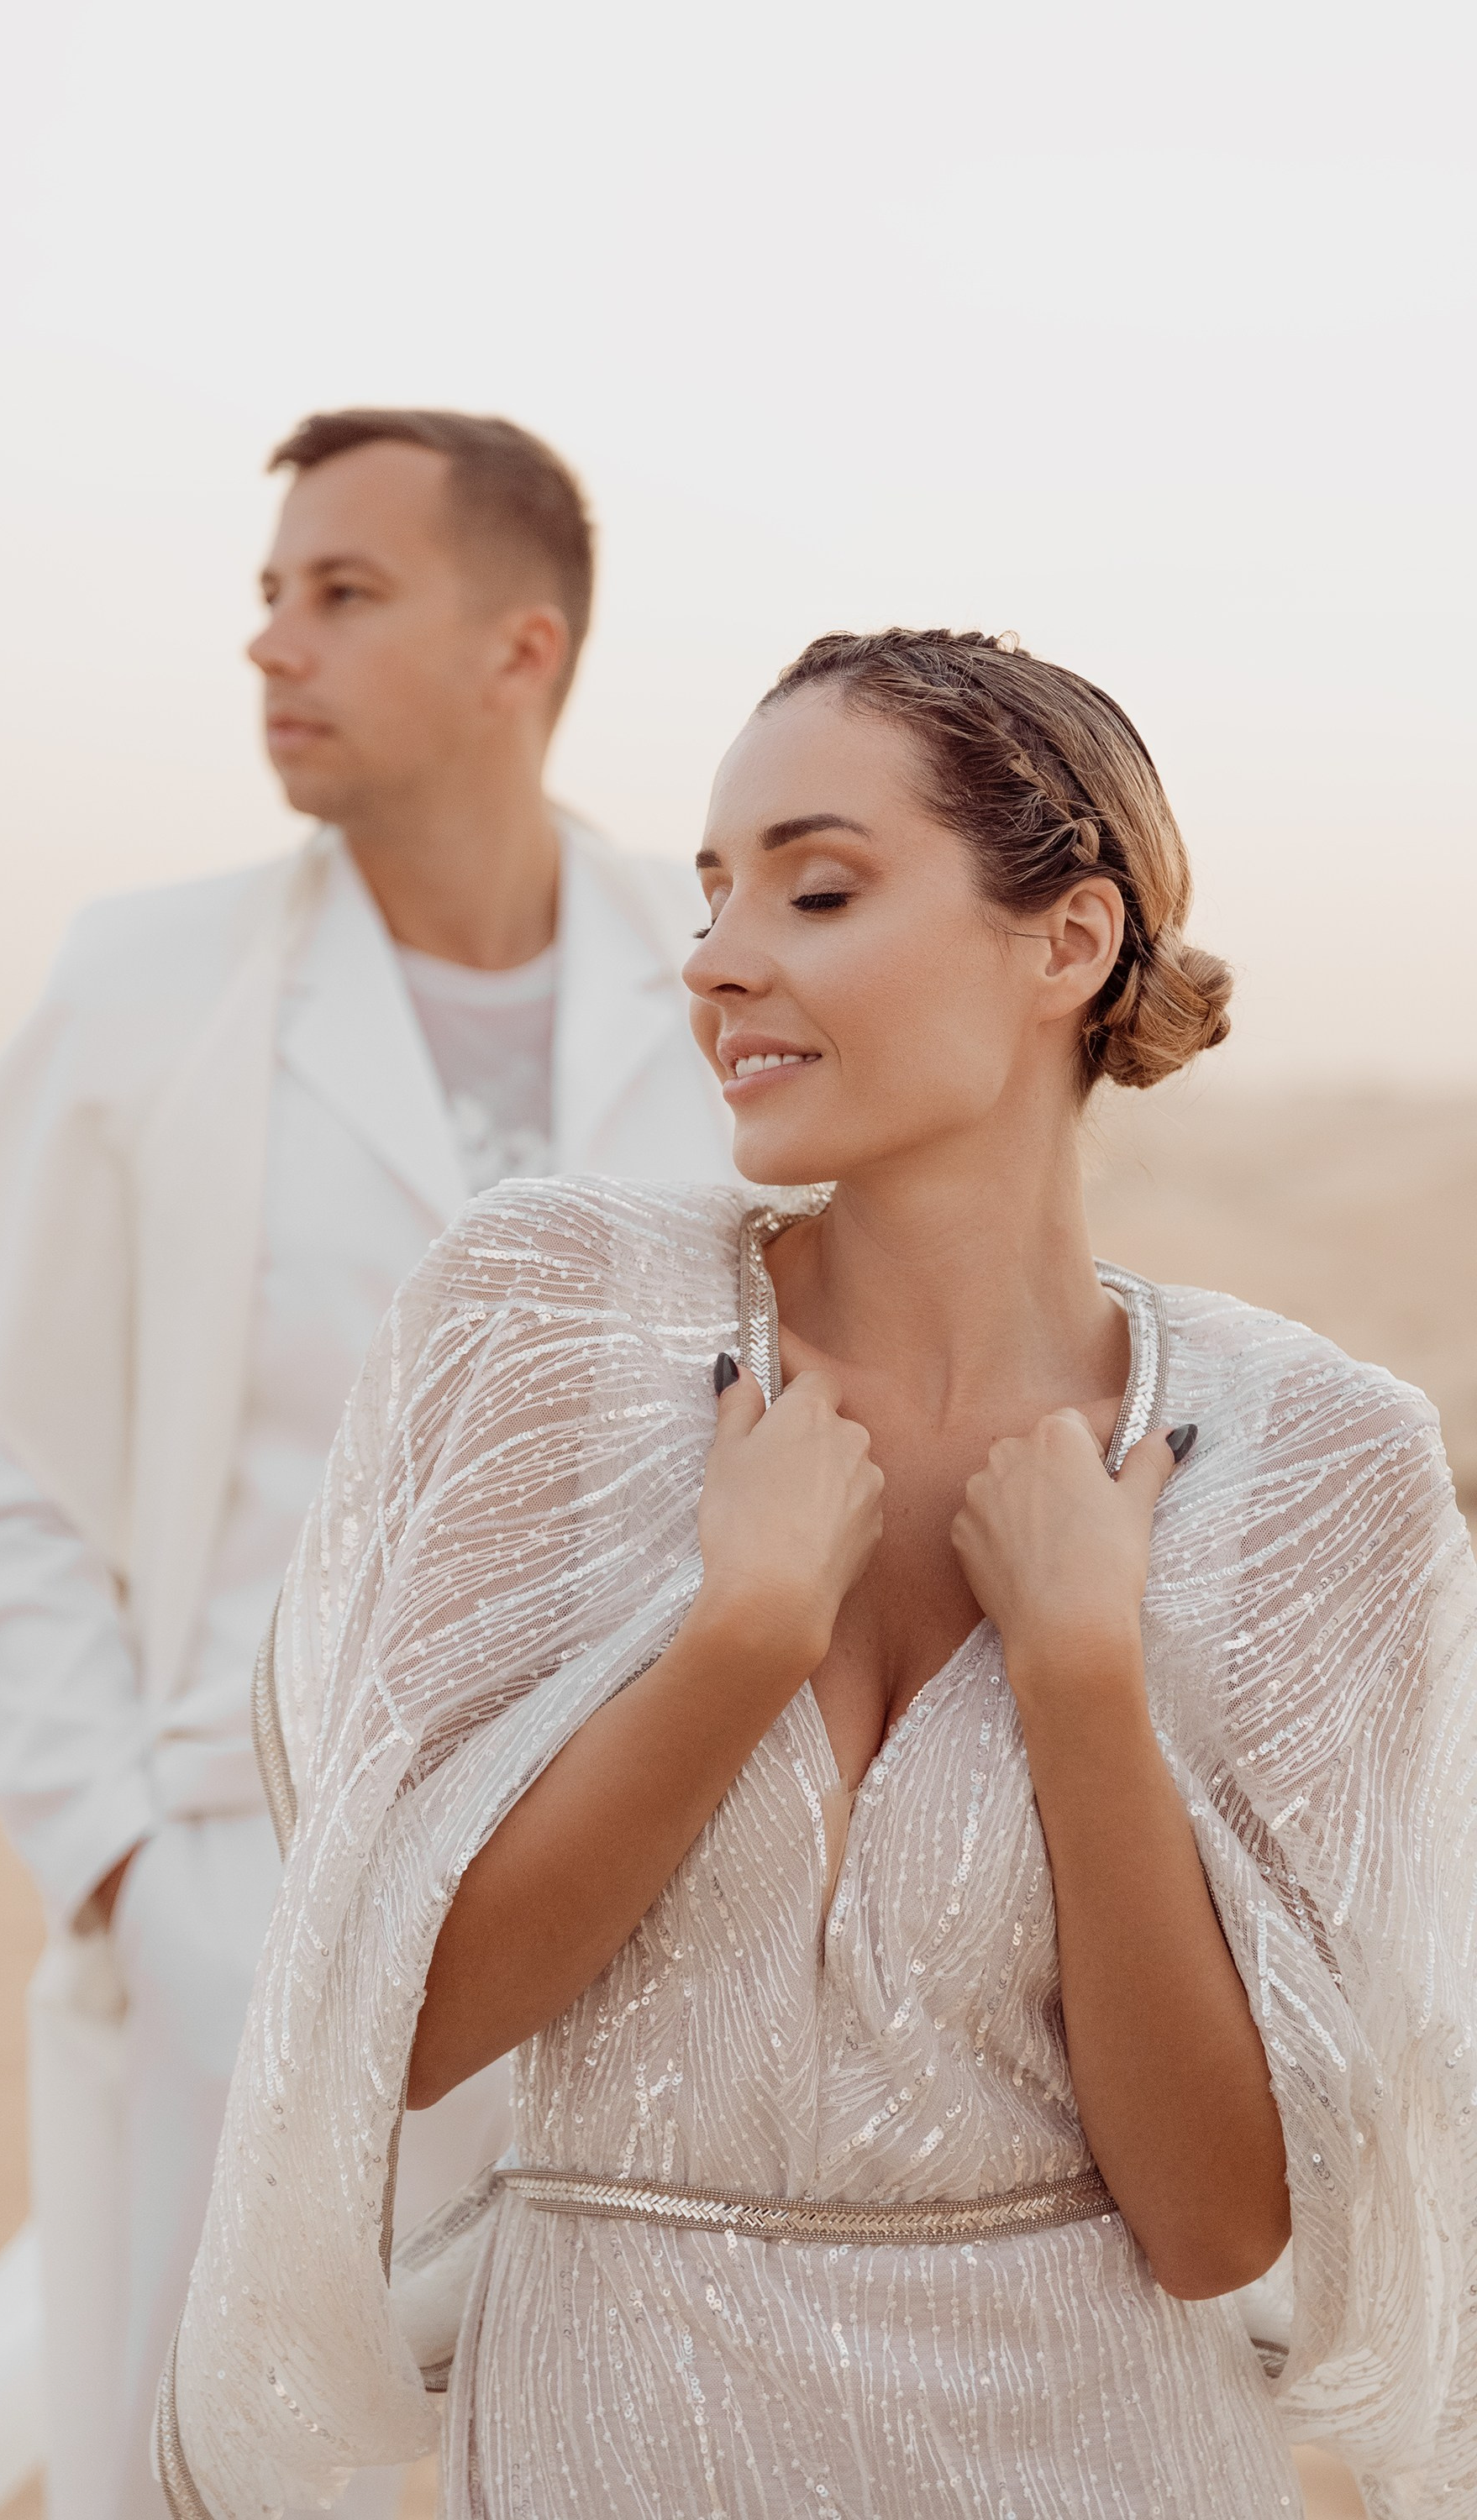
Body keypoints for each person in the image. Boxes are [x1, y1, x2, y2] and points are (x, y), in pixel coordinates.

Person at [162, 628, 1477, 2517]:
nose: (713, 959)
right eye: (709, 893)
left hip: (1095, 2450)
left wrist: (1084, 1678)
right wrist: (737, 1638)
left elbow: (1208, 2226)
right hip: (608, 2438)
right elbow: (409, 2021)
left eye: (819, 884)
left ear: (1067, 943)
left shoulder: (1308, 1461)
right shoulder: (551, 1322)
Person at [0, 409, 736, 2520]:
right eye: (268, 599)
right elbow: (6, 1520)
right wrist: (127, 1879)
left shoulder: (723, 974)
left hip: (658, 1903)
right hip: (238, 1894)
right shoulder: (144, 988)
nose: (275, 645)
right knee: (216, 2471)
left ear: (516, 649)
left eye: (342, 595)